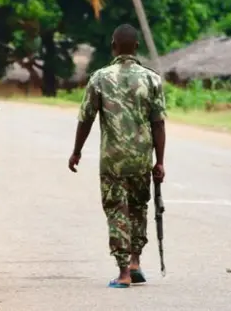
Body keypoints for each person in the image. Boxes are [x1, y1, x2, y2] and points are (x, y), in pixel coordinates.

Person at [68, 24, 167, 289]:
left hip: (112, 160)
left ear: (113, 46)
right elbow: (158, 123)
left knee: (116, 211)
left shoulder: (100, 78)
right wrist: (160, 161)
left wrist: (76, 151)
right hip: (140, 159)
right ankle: (135, 263)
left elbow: (86, 119)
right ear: (136, 47)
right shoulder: (151, 79)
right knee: (138, 208)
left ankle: (123, 273)